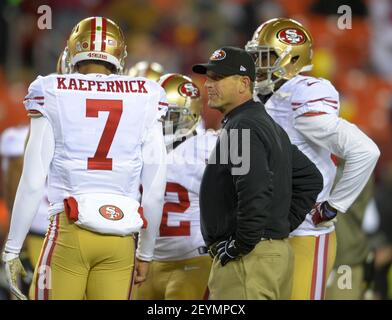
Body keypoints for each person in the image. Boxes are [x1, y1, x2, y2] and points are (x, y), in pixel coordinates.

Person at [1, 16, 167, 300]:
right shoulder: (148, 94)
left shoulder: (52, 89)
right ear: (119, 56)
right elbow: (154, 191)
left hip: (69, 229)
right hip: (122, 236)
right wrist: (146, 253)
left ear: (72, 52)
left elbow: (32, 179)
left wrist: (13, 247)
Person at [245, 17, 380, 300]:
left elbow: (365, 151)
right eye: (256, 56)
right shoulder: (259, 97)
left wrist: (333, 206)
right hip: (263, 227)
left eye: (266, 56)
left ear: (291, 58)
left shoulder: (304, 92)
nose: (258, 64)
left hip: (304, 231)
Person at [193, 46, 324, 300]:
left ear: (243, 83)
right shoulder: (264, 123)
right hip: (271, 257)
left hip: (248, 262)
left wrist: (243, 242)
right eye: (208, 77)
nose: (208, 84)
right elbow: (311, 178)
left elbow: (253, 187)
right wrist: (278, 226)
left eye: (218, 78)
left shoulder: (242, 127)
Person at [133, 73, 217, 300]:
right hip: (147, 263)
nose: (158, 123)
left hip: (193, 260)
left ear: (188, 116)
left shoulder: (208, 147)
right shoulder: (139, 148)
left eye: (166, 116)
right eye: (154, 115)